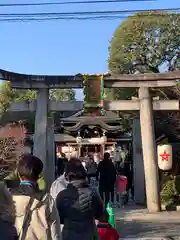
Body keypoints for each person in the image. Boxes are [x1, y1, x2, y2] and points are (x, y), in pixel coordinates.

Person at [11, 154, 61, 240]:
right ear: (38, 175)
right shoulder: (46, 199)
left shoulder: (8, 197)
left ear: (18, 175)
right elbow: (55, 232)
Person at [56, 158, 104, 240]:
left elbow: (58, 218)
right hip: (89, 235)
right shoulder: (93, 193)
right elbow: (101, 214)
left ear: (68, 176)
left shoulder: (62, 195)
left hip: (69, 236)